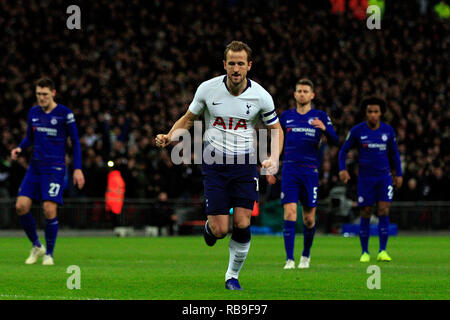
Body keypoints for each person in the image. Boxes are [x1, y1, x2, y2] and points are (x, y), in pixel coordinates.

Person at [156, 41, 284, 290]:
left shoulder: (261, 96)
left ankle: (232, 276)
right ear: (224, 65)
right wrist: (171, 136)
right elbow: (189, 118)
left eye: (241, 63)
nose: (236, 69)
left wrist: (274, 158)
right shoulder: (207, 89)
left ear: (249, 65)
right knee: (220, 229)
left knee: (243, 222)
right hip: (215, 162)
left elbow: (276, 129)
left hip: (245, 163)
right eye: (232, 63)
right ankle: (210, 228)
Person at [10, 78, 85, 265]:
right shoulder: (33, 112)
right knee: (20, 206)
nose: (41, 98)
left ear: (53, 92)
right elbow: (29, 137)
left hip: (54, 168)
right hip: (35, 167)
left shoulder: (64, 114)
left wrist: (77, 169)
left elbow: (75, 142)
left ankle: (49, 254)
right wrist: (19, 148)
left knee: (48, 209)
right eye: (38, 94)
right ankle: (37, 246)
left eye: (44, 94)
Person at [268, 79, 339, 269]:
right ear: (294, 94)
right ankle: (289, 259)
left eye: (305, 91)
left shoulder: (320, 116)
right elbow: (276, 142)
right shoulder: (286, 117)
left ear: (312, 95)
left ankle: (305, 255)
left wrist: (325, 130)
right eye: (299, 91)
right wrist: (271, 165)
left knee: (309, 218)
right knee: (290, 212)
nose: (302, 94)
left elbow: (336, 141)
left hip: (310, 172)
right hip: (290, 170)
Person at [338, 96, 402, 263]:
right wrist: (342, 169)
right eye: (370, 112)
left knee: (383, 210)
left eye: (376, 111)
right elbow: (343, 151)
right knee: (365, 212)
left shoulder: (388, 131)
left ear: (381, 113)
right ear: (365, 113)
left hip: (384, 178)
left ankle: (382, 250)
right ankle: (365, 252)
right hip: (365, 179)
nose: (373, 114)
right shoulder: (357, 131)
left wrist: (399, 174)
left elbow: (394, 154)